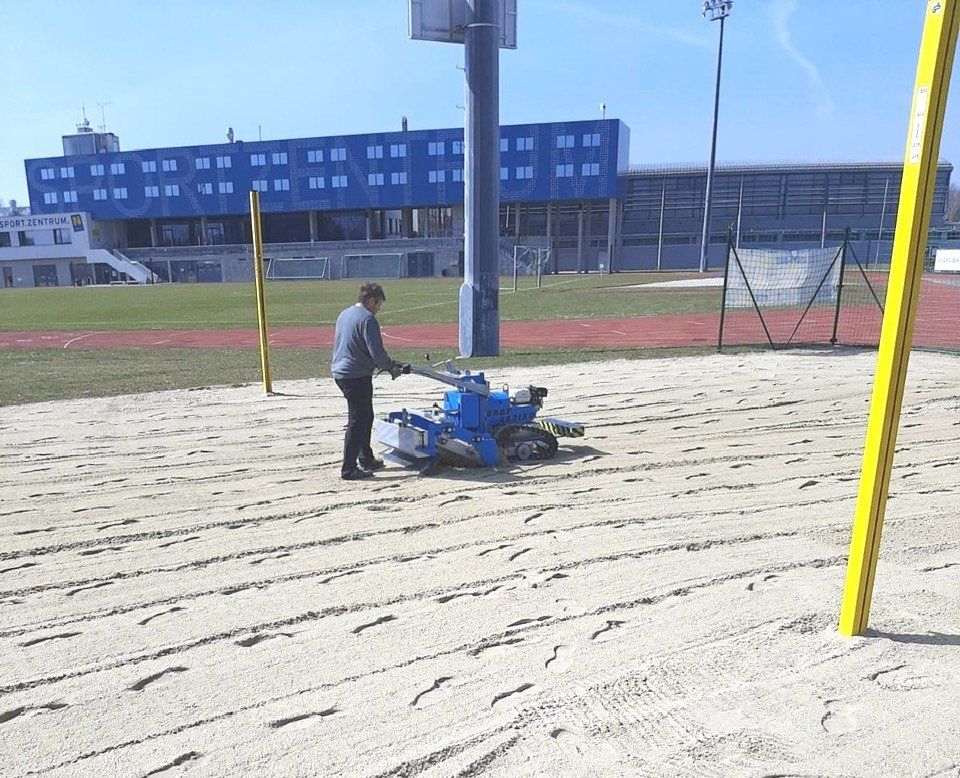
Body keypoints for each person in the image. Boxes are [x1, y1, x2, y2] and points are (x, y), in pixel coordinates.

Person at [331, 283, 405, 480]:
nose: (378, 309)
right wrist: (391, 367)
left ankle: (366, 458)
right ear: (371, 300)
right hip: (355, 375)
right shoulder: (368, 319)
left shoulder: (344, 314)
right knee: (357, 420)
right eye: (378, 304)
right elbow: (377, 353)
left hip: (341, 371)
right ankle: (348, 469)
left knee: (366, 416)